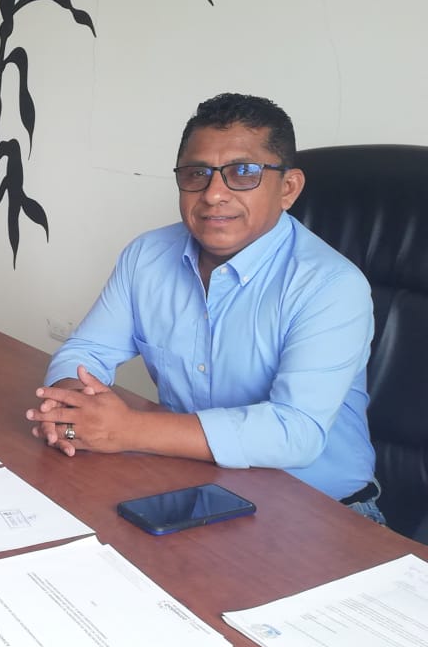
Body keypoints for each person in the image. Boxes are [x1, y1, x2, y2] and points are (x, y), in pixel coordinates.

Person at [27, 92, 383, 521]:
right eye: (198, 173)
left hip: (323, 513)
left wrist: (127, 429)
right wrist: (70, 408)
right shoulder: (147, 256)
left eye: (243, 173)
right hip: (194, 487)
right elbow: (88, 351)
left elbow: (294, 432)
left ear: (288, 188)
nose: (214, 194)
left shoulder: (330, 286)